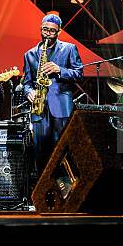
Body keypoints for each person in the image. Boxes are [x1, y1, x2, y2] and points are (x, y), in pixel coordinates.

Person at [23, 14, 83, 173]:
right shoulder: (29, 54)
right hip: (39, 110)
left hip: (61, 108)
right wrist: (29, 92)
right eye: (45, 30)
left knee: (62, 151)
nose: (48, 33)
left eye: (52, 31)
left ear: (59, 32)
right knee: (40, 154)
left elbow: (79, 74)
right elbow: (27, 83)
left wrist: (59, 70)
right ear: (40, 29)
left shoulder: (69, 49)